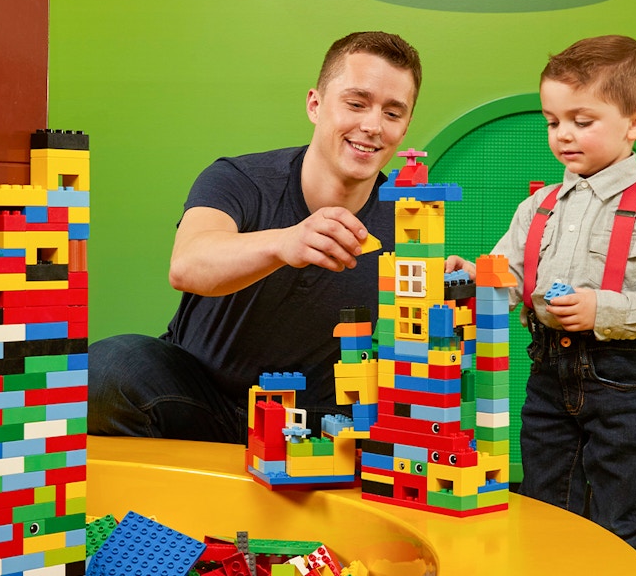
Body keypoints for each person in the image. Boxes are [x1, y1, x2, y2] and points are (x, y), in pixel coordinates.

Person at [89, 31, 422, 443]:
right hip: (202, 399)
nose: (372, 125)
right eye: (356, 103)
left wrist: (455, 286)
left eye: (393, 113)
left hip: (319, 425)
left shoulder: (410, 220)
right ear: (315, 105)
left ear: (405, 128)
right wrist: (285, 242)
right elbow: (188, 263)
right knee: (105, 370)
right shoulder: (239, 179)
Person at [447, 35, 636, 565]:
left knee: (617, 508)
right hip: (546, 374)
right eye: (552, 121)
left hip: (618, 380)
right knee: (545, 497)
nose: (563, 135)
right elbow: (510, 275)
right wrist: (475, 277)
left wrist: (603, 310)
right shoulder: (537, 206)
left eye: (582, 121)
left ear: (635, 123)